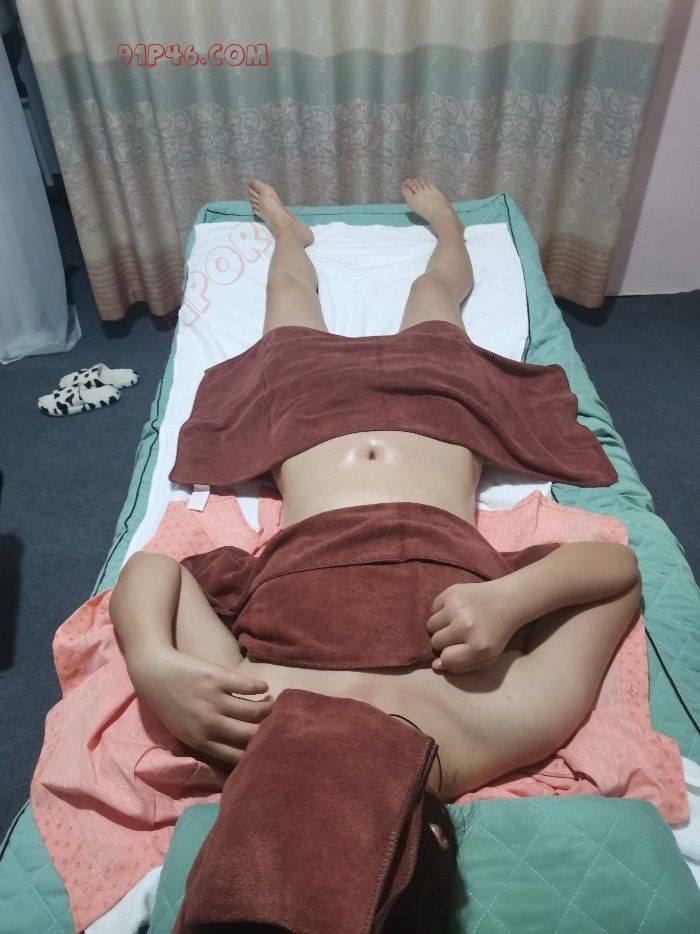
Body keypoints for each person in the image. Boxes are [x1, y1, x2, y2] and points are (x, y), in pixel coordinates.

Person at [109, 178, 642, 929]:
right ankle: (447, 232)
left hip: (307, 424)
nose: (299, 785)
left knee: (286, 303)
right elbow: (616, 572)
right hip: (436, 421)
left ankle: (289, 235)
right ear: (431, 832)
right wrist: (513, 599)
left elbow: (154, 570)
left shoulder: (249, 720)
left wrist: (153, 665)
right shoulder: (500, 722)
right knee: (434, 296)